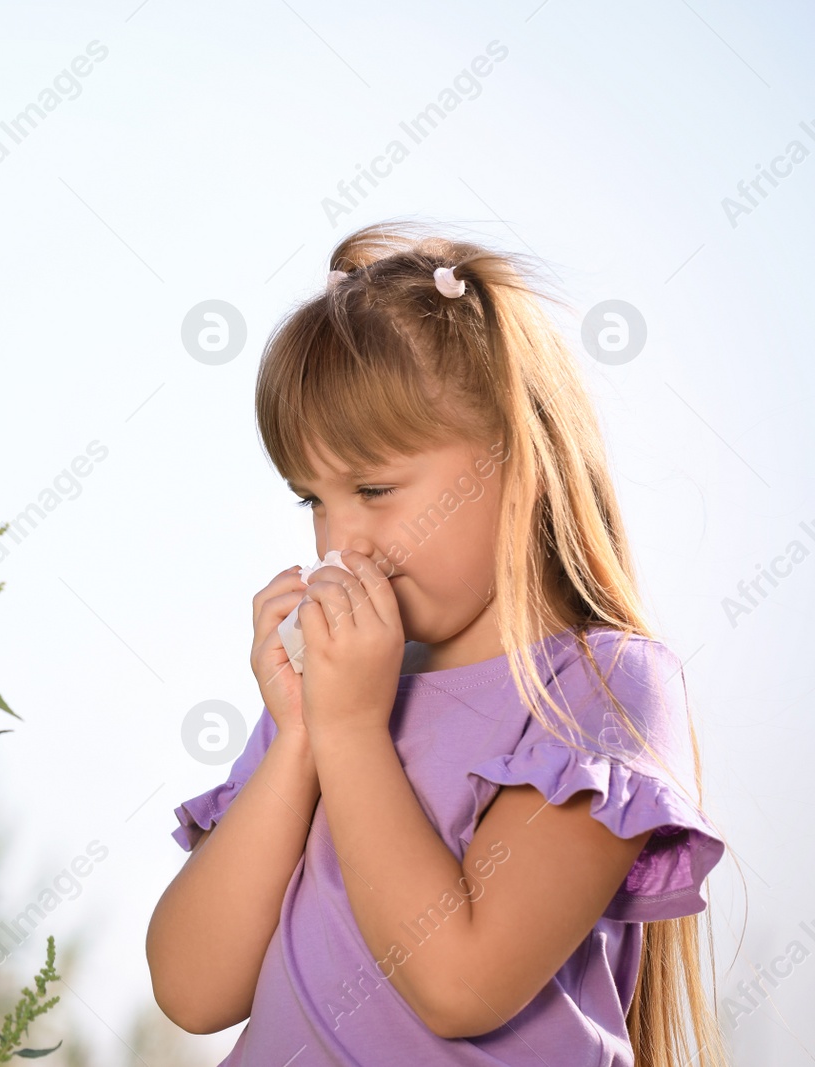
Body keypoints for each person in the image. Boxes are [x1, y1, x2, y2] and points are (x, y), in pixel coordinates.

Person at [145, 220, 731, 1066]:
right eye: (311, 499)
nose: (341, 544)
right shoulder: (335, 695)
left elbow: (460, 981)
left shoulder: (602, 688)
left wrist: (347, 731)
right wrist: (303, 737)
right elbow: (192, 988)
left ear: (515, 454)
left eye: (375, 488)